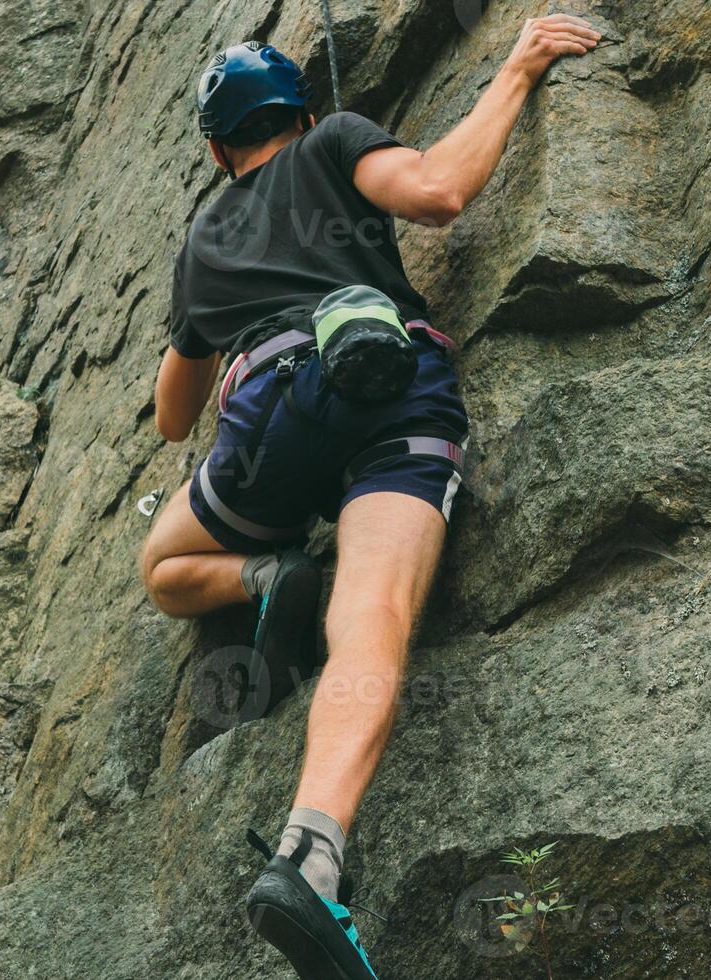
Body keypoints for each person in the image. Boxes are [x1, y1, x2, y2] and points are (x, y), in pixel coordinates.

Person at [140, 14, 600, 978]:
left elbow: (172, 419)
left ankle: (266, 572)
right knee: (375, 615)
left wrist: (207, 308)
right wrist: (517, 66)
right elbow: (437, 191)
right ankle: (309, 855)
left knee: (165, 566)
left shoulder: (205, 235)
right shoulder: (336, 140)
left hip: (269, 419)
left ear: (218, 148)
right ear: (300, 116)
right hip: (389, 382)